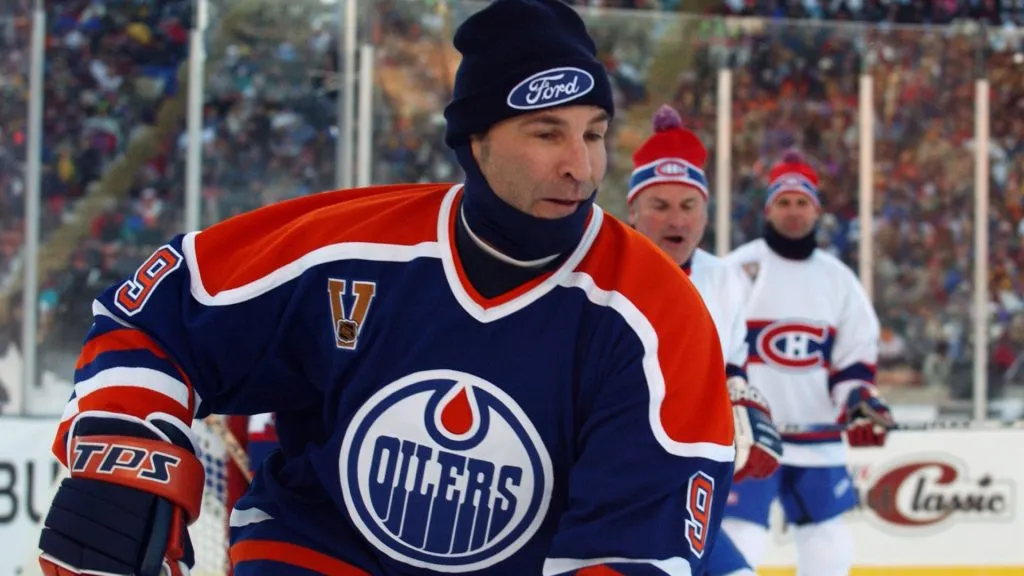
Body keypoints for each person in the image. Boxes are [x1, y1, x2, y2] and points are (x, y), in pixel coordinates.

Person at [37, 2, 736, 575]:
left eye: (594, 133)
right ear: (475, 141)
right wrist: (126, 441)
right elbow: (154, 314)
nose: (580, 167)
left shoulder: (654, 315)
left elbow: (630, 553)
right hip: (318, 552)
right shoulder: (348, 247)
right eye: (546, 133)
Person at [627, 105, 783, 576]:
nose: (676, 219)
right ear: (633, 209)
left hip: (684, 488)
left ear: (706, 213)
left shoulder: (725, 279)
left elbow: (732, 361)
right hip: (608, 493)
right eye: (660, 205)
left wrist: (741, 401)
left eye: (688, 205)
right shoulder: (600, 271)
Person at [721, 151, 894, 576]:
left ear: (817, 210)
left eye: (802, 203)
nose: (793, 212)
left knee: (828, 546)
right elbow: (717, 347)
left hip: (817, 439)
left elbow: (853, 363)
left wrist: (858, 402)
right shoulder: (739, 269)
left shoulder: (838, 280)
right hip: (751, 437)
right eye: (784, 202)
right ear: (768, 209)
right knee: (741, 539)